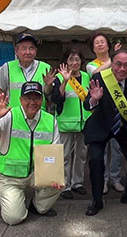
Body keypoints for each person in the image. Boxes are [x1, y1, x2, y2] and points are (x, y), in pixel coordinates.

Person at [0, 82, 63, 225]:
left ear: (42, 100)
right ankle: (14, 200)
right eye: (27, 98)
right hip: (9, 176)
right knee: (14, 218)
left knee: (59, 181)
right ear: (20, 100)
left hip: (34, 173)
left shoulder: (50, 120)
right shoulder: (10, 115)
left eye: (36, 98)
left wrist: (54, 177)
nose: (32, 102)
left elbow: (53, 153)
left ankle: (37, 206)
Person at [83, 49, 127, 216]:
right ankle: (97, 201)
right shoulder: (99, 78)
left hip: (124, 128)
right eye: (118, 64)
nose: (122, 69)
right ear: (112, 64)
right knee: (96, 161)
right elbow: (87, 106)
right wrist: (94, 99)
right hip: (101, 126)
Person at [86, 32, 125, 194]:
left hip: (118, 111)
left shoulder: (118, 63)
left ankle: (115, 178)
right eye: (97, 43)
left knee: (117, 149)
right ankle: (102, 180)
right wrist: (113, 59)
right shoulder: (91, 65)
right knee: (100, 152)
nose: (100, 44)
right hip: (100, 113)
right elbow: (97, 74)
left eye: (103, 42)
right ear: (93, 48)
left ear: (108, 45)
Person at [49, 48, 91, 199]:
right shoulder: (60, 78)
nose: (74, 63)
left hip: (83, 123)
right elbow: (56, 99)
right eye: (71, 60)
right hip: (65, 123)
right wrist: (65, 81)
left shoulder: (86, 77)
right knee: (65, 155)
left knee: (81, 154)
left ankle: (77, 183)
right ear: (66, 62)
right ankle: (65, 185)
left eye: (77, 60)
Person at [0, 33, 54, 110]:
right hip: (14, 116)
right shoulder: (7, 67)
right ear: (16, 51)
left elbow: (48, 94)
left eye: (31, 48)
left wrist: (48, 85)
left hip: (38, 116)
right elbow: (1, 92)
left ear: (36, 51)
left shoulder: (45, 68)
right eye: (24, 48)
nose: (28, 52)